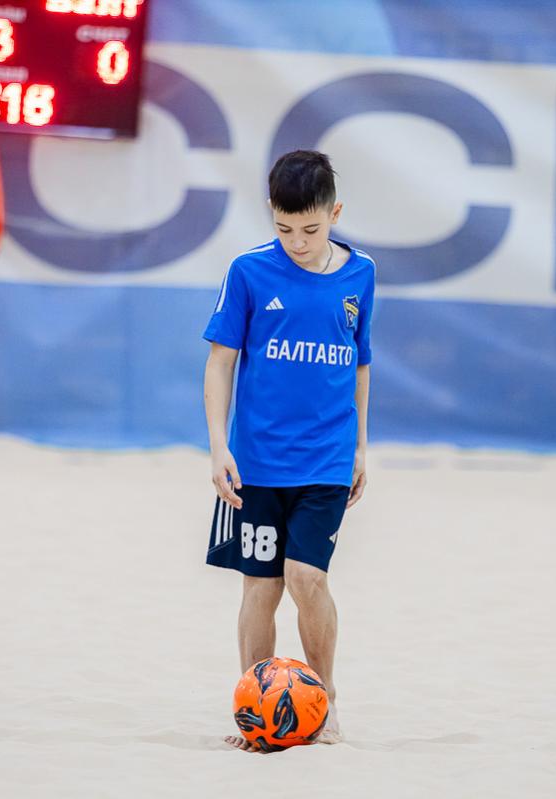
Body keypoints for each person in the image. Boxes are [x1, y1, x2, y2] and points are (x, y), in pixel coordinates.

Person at [202, 150, 375, 751]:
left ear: (335, 213)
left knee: (306, 577)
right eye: (284, 228)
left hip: (326, 457)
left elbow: (359, 364)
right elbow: (220, 362)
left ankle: (325, 704)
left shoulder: (361, 273)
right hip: (256, 462)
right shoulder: (248, 271)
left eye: (311, 229)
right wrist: (218, 445)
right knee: (262, 587)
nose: (297, 242)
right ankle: (256, 711)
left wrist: (360, 447)